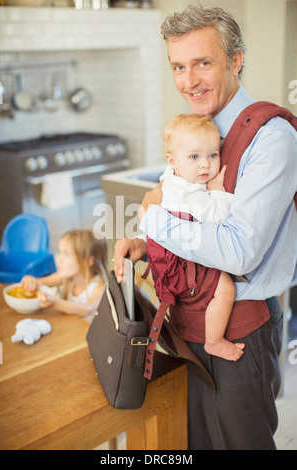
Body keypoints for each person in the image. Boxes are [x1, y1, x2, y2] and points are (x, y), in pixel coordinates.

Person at [114, 5, 297, 450]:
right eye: (178, 66)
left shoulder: (272, 138)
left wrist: (152, 217)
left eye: (203, 63)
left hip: (240, 330)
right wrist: (145, 242)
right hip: (189, 323)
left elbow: (238, 251)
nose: (189, 80)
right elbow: (187, 214)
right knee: (194, 441)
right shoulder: (197, 132)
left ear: (235, 60)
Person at [152, 112, 244, 361]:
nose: (205, 165)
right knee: (225, 290)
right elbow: (218, 219)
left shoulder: (171, 177)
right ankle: (214, 341)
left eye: (212, 155)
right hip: (187, 261)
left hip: (172, 259)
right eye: (194, 157)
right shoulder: (194, 194)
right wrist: (218, 191)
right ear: (172, 160)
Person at [21, 229, 107, 323]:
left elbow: (86, 309)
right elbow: (38, 282)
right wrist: (30, 280)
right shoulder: (66, 278)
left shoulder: (100, 287)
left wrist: (54, 303)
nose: (59, 259)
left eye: (66, 254)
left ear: (86, 261)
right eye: (60, 252)